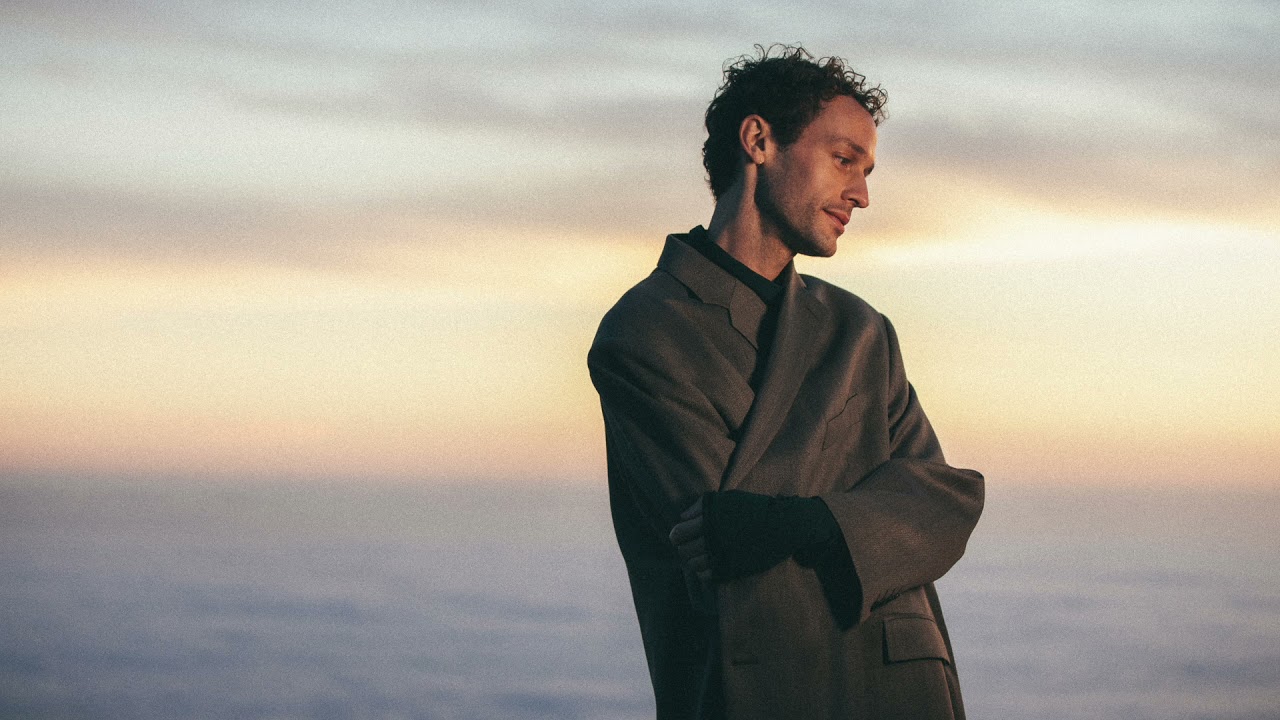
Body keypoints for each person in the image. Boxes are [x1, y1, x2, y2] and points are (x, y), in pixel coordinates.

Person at [588, 44, 984, 720]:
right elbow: (719, 542)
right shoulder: (644, 333)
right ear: (759, 141)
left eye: (867, 171)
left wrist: (801, 522)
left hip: (903, 692)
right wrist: (874, 518)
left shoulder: (861, 330)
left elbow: (948, 504)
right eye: (844, 160)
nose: (862, 194)